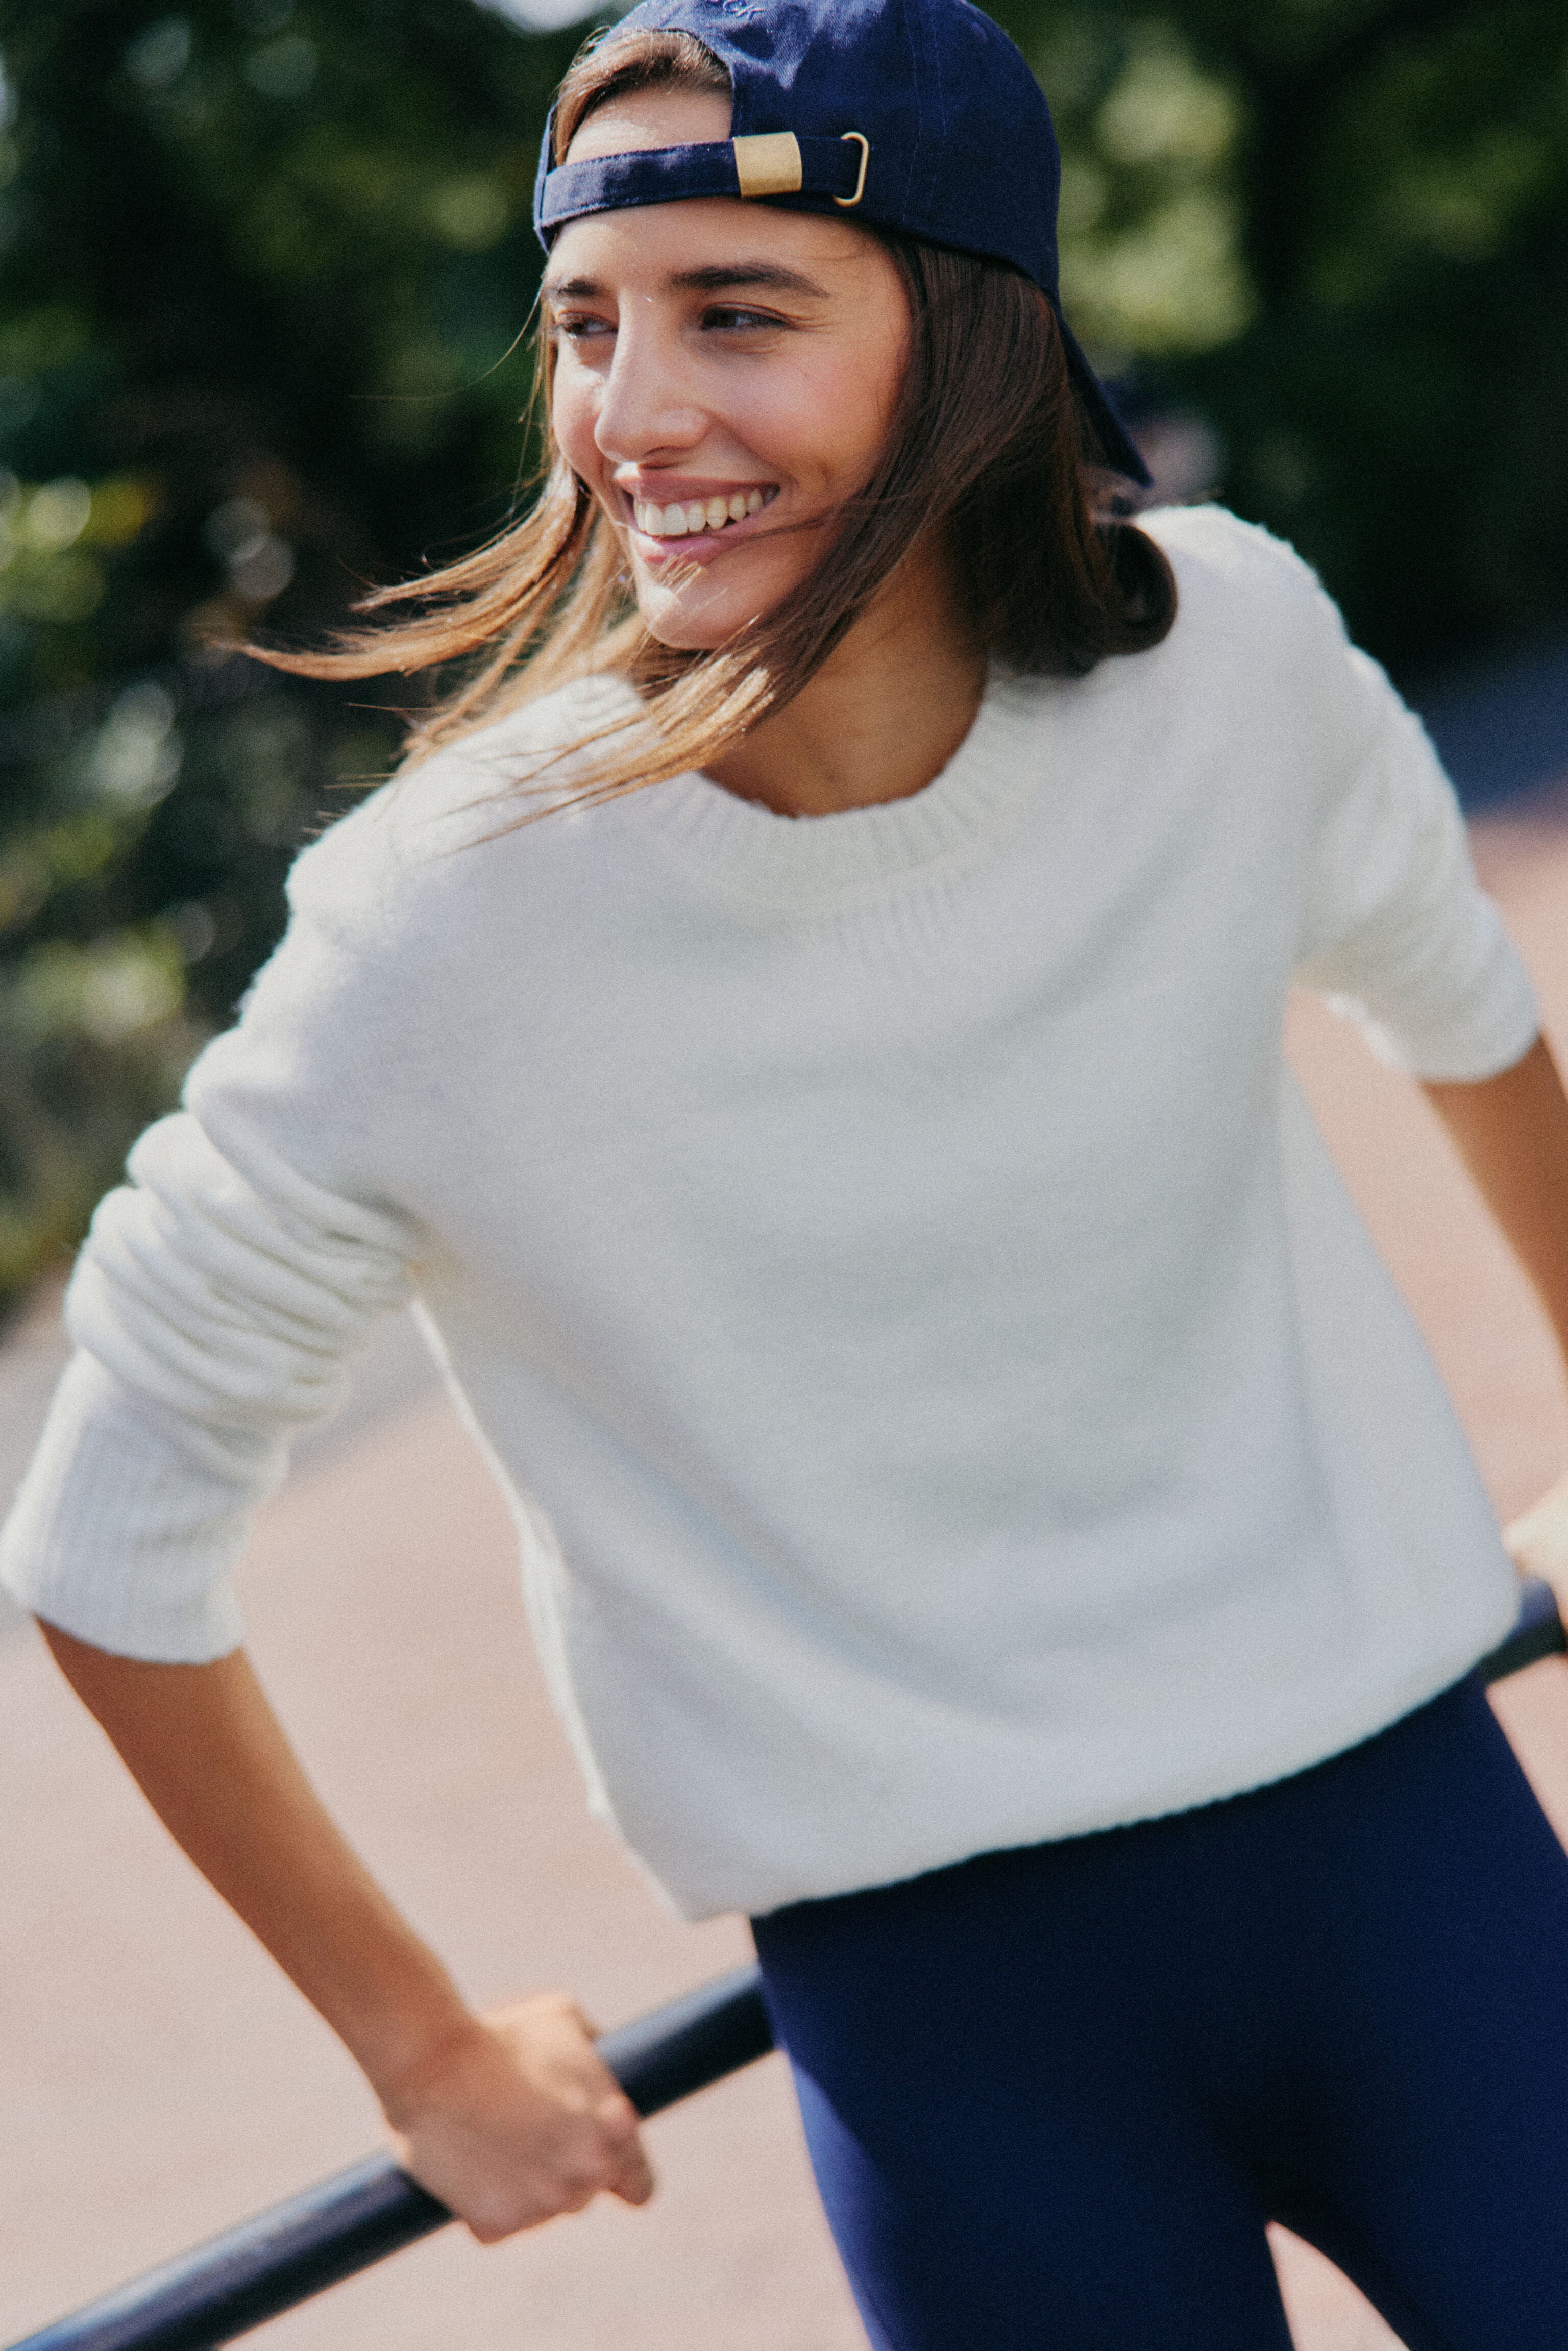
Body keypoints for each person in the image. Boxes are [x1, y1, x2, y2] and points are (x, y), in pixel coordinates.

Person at [7, 3, 1568, 2343]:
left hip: (1422, 1869)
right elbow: (107, 1543)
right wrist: (419, 2046)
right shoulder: (442, 927)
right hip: (960, 2048)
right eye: (585, 325)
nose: (632, 416)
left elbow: (1461, 999)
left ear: (970, 336)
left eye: (737, 312)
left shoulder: (1225, 656)